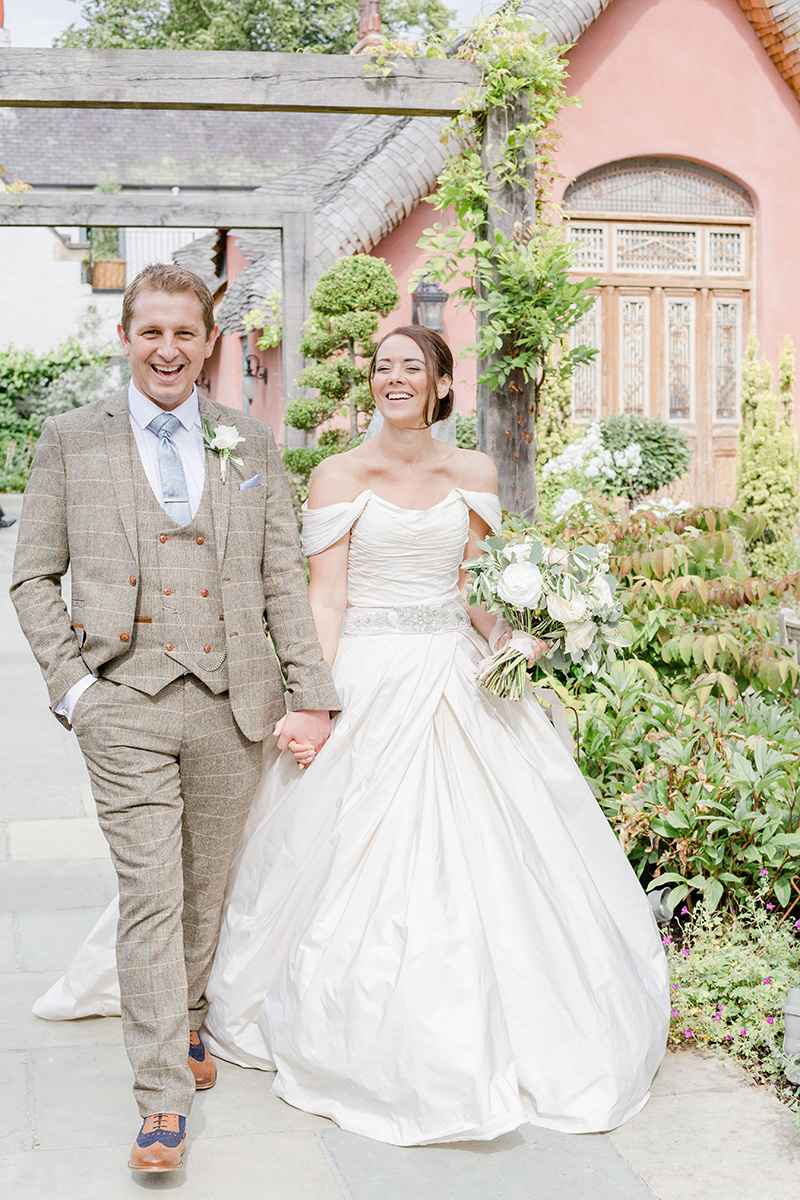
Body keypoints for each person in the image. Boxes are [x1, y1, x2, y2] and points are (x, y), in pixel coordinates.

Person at [34, 325, 669, 1148]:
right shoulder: (338, 474)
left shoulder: (475, 473)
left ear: (443, 385)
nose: (394, 379)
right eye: (382, 368)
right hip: (368, 669)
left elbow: (476, 589)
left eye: (413, 368)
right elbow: (322, 601)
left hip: (453, 670)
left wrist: (518, 636)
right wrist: (314, 700)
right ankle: (192, 997)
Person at [11, 264, 339, 1173]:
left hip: (236, 702)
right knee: (150, 893)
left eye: (184, 334)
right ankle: (160, 1099)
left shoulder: (251, 442)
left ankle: (189, 1020)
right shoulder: (71, 439)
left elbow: (283, 578)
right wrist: (76, 690)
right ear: (126, 337)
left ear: (209, 343)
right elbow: (32, 574)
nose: (167, 349)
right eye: (150, 332)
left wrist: (311, 692)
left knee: (205, 888)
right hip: (124, 703)